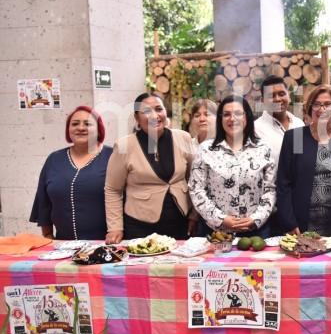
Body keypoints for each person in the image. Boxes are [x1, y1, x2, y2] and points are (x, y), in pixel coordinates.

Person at [104, 93, 196, 243]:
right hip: (139, 226)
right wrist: (115, 227)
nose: (154, 115)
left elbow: (195, 180)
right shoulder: (124, 146)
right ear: (137, 118)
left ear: (166, 112)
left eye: (159, 109)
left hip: (180, 222)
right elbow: (113, 189)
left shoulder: (183, 138)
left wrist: (194, 215)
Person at [189, 96, 276, 237]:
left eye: (237, 113)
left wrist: (256, 219)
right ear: (220, 119)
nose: (232, 118)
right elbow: (196, 188)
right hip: (215, 233)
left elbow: (270, 189)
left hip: (256, 232)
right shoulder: (205, 150)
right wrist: (221, 219)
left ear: (246, 118)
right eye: (226, 114)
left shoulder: (263, 149)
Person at [275, 85, 331, 236]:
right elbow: (284, 183)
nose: (322, 109)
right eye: (317, 104)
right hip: (301, 222)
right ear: (310, 108)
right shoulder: (296, 137)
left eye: (328, 105)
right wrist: (289, 222)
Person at [30, 106, 112, 240]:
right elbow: (43, 202)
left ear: (99, 129)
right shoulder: (54, 159)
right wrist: (48, 235)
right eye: (74, 124)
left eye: (87, 124)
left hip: (107, 244)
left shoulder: (113, 156)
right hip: (63, 246)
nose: (80, 128)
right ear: (68, 130)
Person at [254, 75, 304, 165]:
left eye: (281, 94)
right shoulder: (255, 129)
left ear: (288, 96)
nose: (277, 99)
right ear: (262, 101)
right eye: (271, 96)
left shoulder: (299, 124)